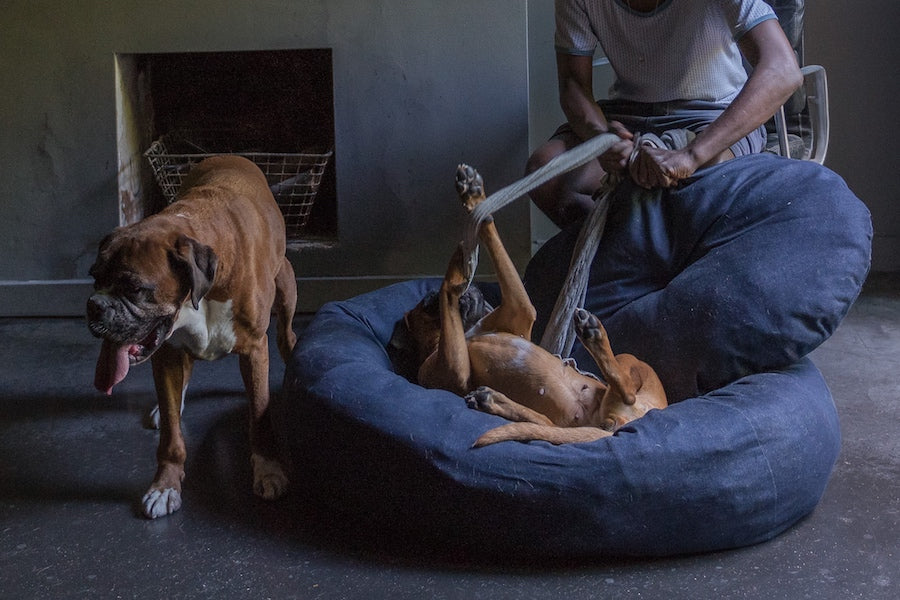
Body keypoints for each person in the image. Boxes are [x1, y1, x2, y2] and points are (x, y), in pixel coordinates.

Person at [528, 0, 803, 229]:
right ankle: (626, 259)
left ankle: (640, 257)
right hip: (629, 115)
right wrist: (601, 138)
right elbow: (573, 84)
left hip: (713, 115)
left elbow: (783, 69)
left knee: (706, 185)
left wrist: (691, 155)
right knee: (546, 171)